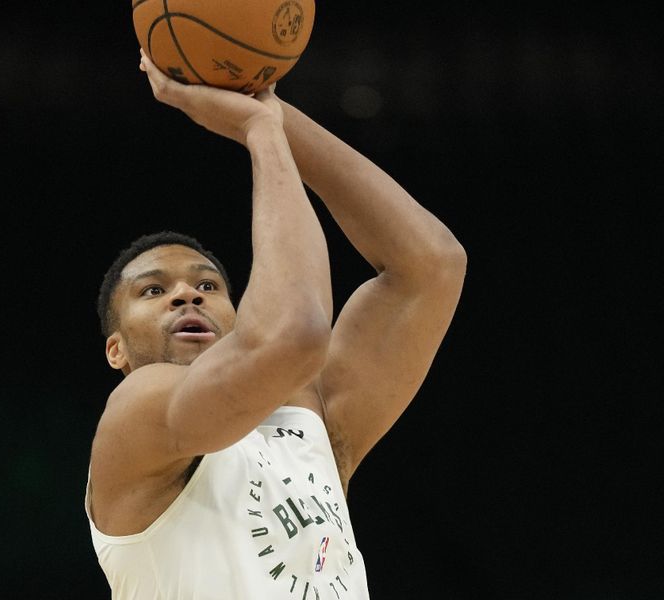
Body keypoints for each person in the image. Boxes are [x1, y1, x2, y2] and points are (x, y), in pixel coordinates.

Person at [84, 49, 467, 599]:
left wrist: (272, 109)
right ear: (115, 351)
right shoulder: (137, 416)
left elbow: (430, 266)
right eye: (153, 290)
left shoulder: (316, 417)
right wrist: (260, 135)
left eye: (209, 285)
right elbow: (293, 333)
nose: (187, 293)